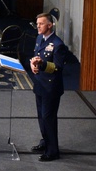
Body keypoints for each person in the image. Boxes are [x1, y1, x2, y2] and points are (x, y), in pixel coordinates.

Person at [29, 13, 69, 162]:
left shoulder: (58, 45)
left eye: (41, 23)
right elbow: (35, 56)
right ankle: (45, 141)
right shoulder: (40, 38)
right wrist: (33, 64)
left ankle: (52, 151)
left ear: (50, 25)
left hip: (51, 88)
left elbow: (58, 68)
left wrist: (42, 64)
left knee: (48, 118)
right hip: (40, 84)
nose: (38, 26)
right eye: (37, 23)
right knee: (41, 117)